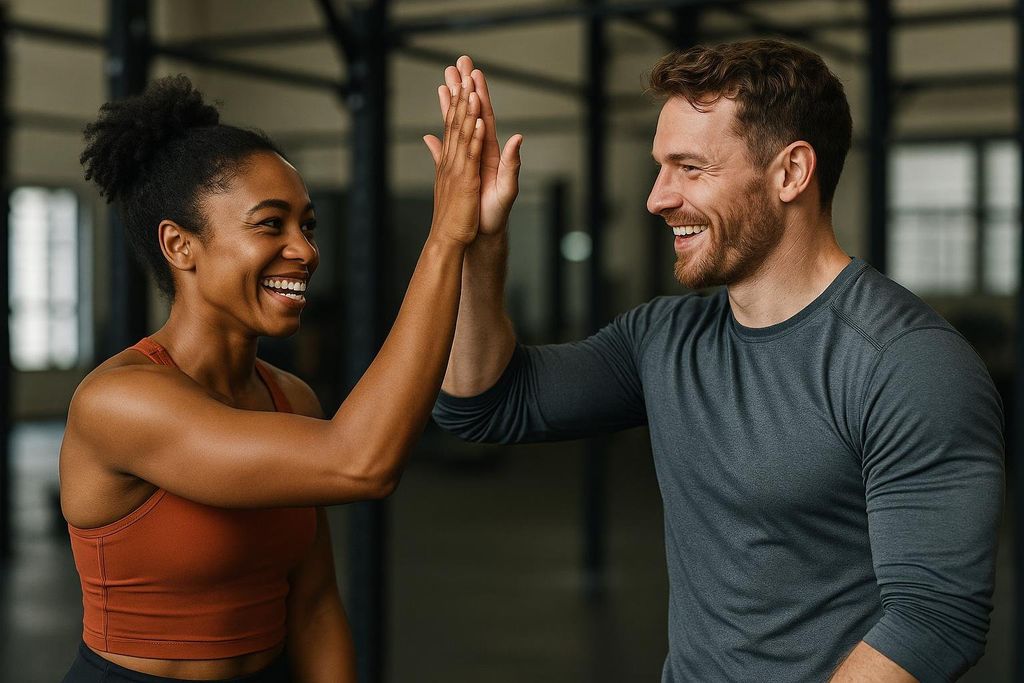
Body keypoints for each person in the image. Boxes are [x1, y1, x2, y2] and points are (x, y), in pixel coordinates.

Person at [431, 43, 1004, 683]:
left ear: (791, 173)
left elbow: (935, 619)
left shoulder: (907, 364)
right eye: (660, 167)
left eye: (691, 167)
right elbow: (480, 403)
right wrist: (479, 245)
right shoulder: (663, 338)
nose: (657, 198)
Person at [59, 71, 501, 683]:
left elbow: (315, 604)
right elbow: (362, 462)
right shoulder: (119, 401)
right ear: (179, 245)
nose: (305, 249)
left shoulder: (289, 397)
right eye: (271, 224)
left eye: (307, 225)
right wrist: (448, 235)